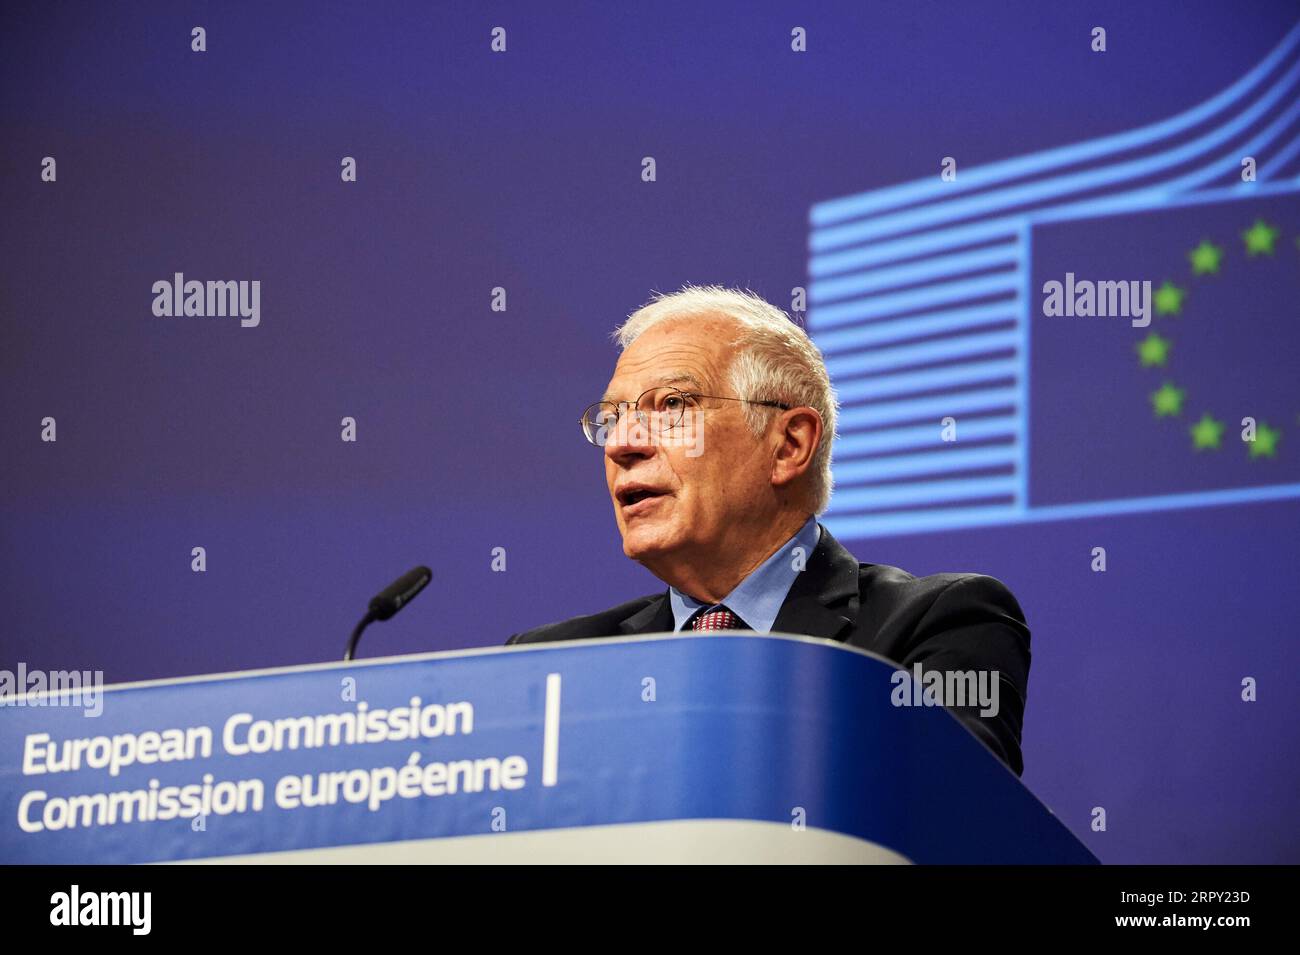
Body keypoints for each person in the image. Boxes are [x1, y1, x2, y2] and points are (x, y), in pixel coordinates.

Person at [506, 285, 1031, 776]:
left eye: (671, 406)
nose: (622, 444)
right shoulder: (552, 662)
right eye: (612, 417)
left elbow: (950, 815)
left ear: (789, 446)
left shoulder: (938, 624)